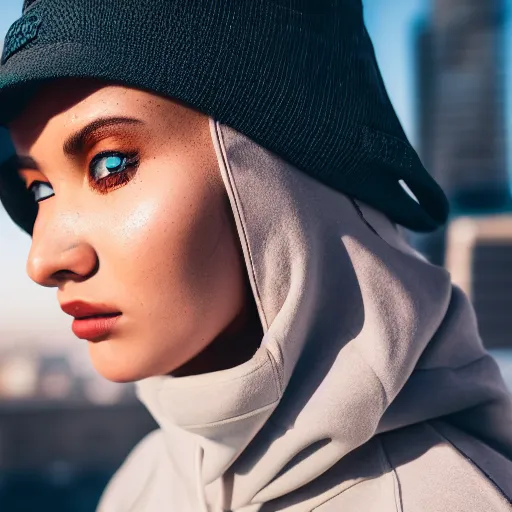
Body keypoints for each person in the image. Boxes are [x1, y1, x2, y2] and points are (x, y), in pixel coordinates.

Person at [0, 1, 511, 511]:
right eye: (40, 190)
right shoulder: (147, 476)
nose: (41, 261)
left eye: (110, 165)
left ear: (276, 175)